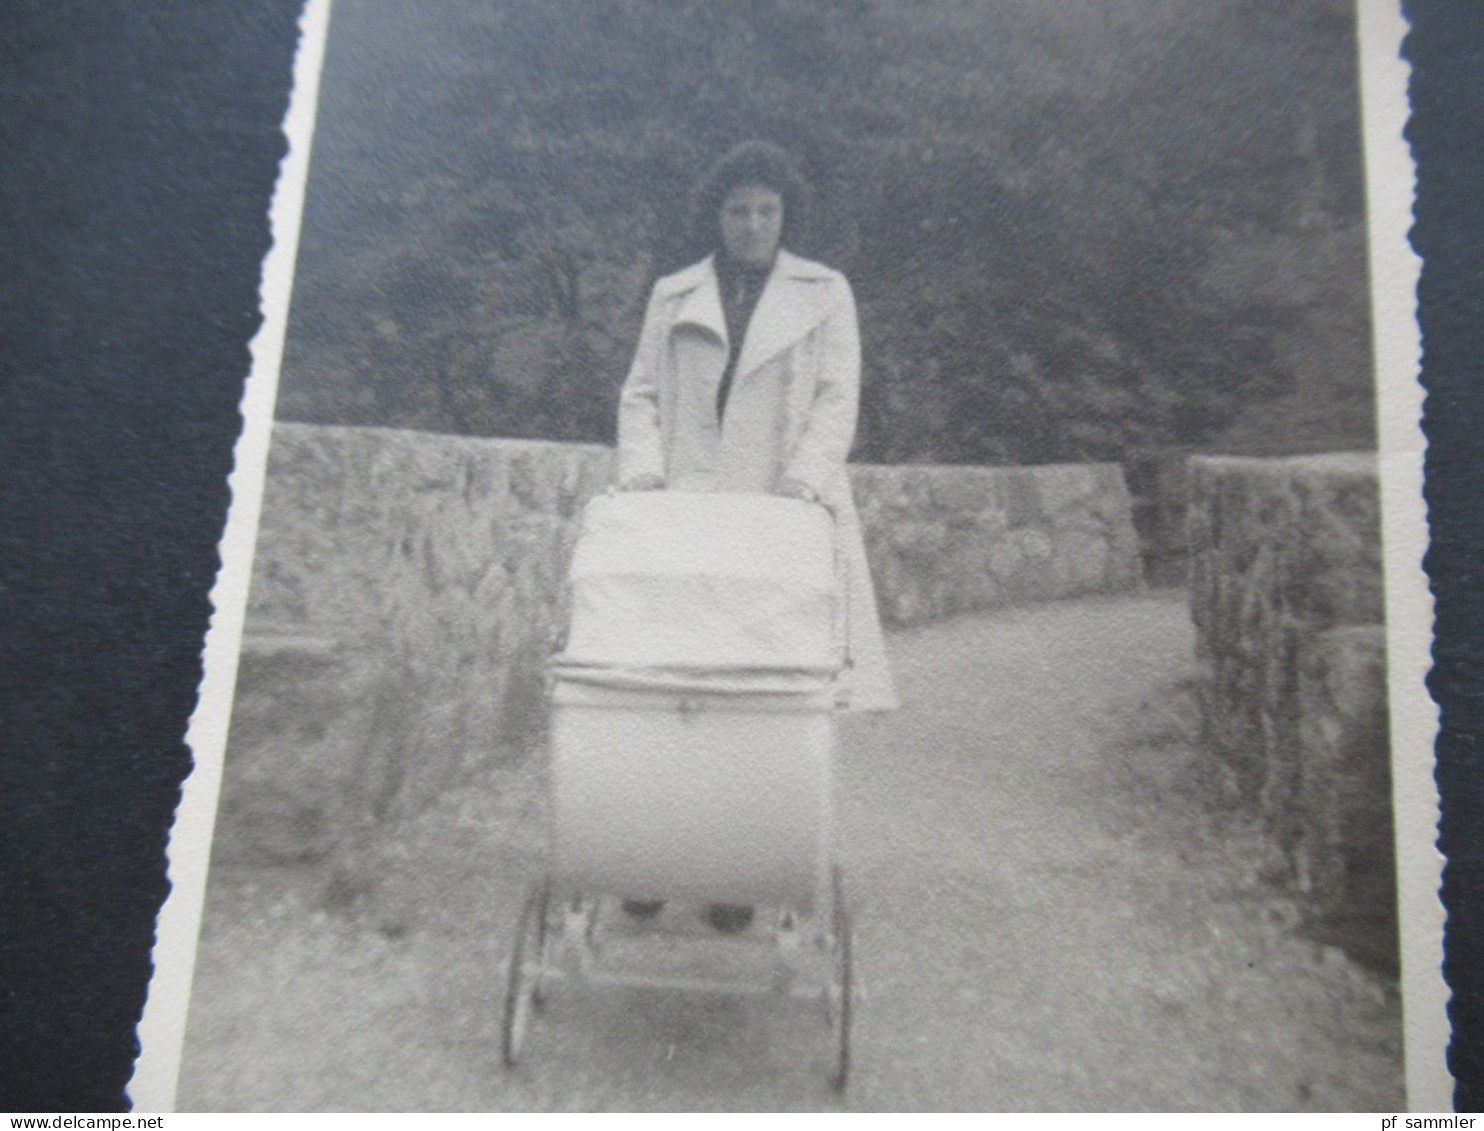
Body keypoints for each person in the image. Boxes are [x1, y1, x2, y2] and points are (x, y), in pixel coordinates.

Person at [614, 141, 897, 933]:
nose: (751, 224)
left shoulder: (824, 292)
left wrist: (805, 482)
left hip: (782, 521)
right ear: (716, 215)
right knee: (665, 690)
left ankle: (735, 870)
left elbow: (838, 398)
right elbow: (640, 395)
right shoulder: (675, 295)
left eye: (766, 210)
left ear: (785, 215)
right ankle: (647, 860)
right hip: (687, 518)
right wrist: (643, 471)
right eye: (737, 210)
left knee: (757, 698)